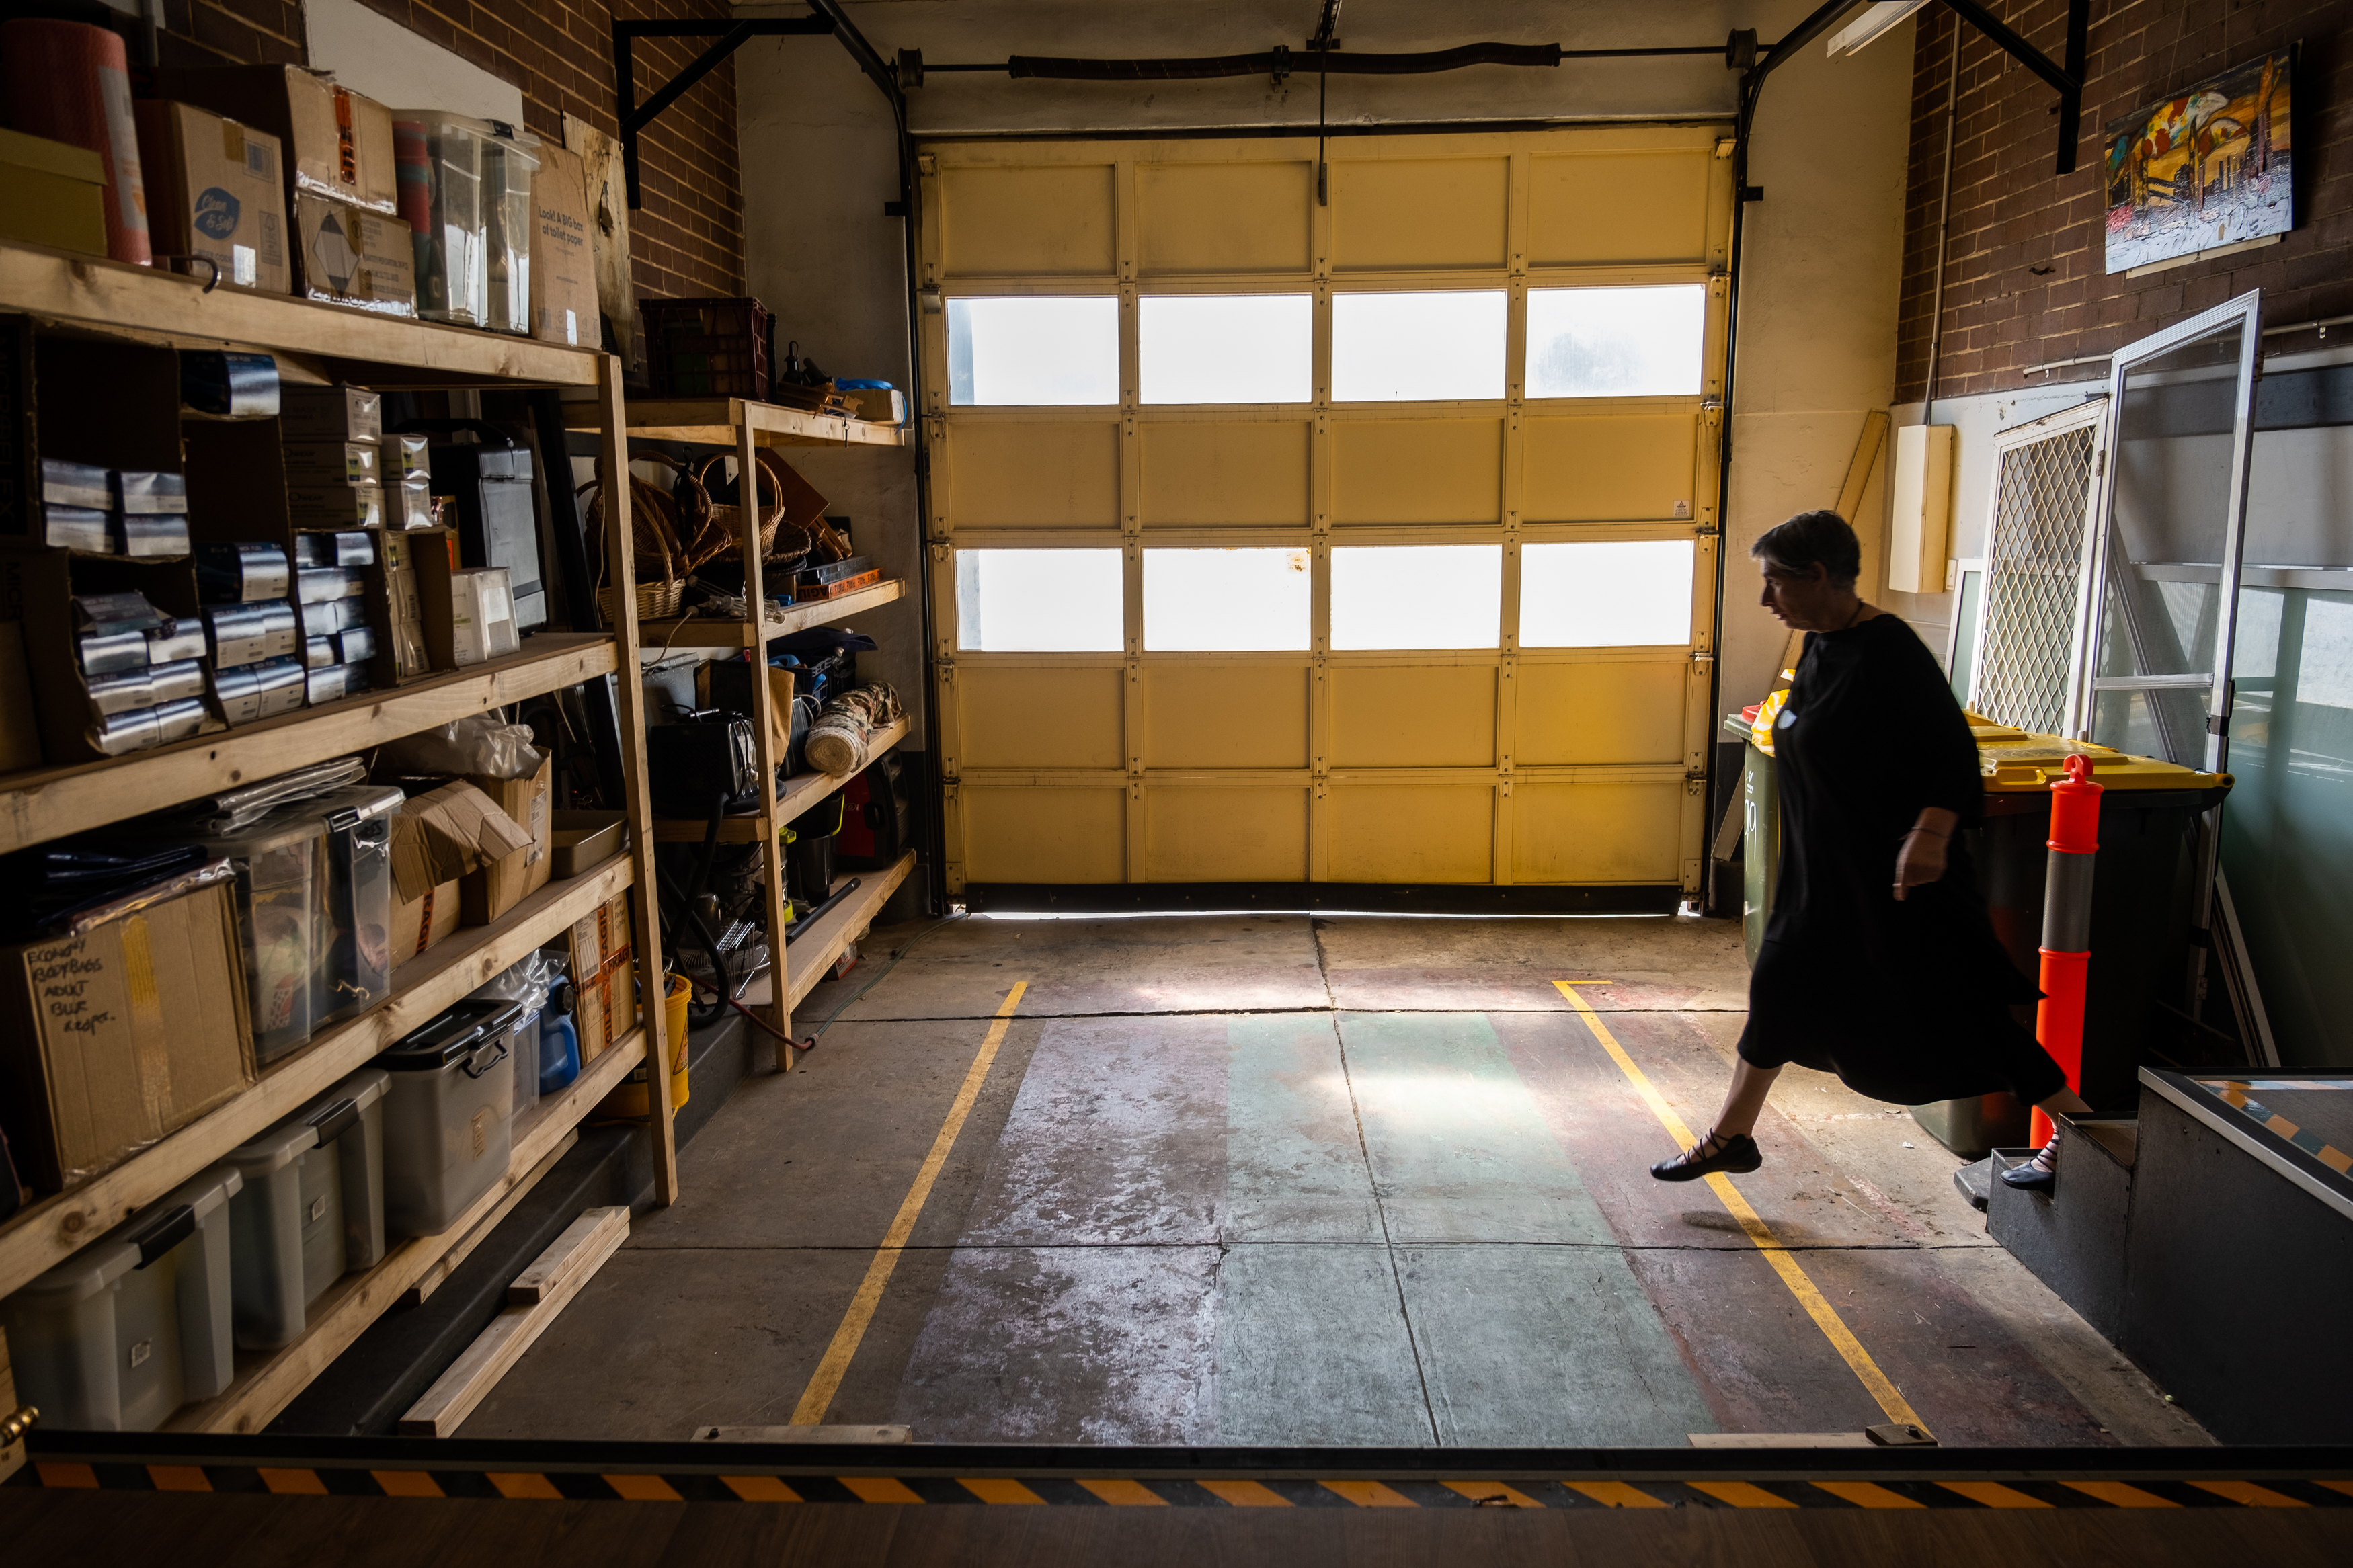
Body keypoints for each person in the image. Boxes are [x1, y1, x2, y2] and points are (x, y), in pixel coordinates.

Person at [1651, 510, 2089, 1190]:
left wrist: (1930, 833)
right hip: (1817, 884)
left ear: (1818, 575)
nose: (1766, 600)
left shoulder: (1888, 651)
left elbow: (1950, 753)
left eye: (1774, 584)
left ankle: (2088, 1130)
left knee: (1960, 1015)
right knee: (1775, 996)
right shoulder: (1821, 646)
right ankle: (1730, 1135)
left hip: (1890, 888)